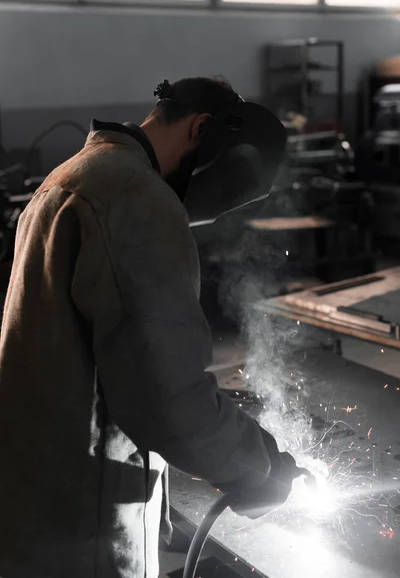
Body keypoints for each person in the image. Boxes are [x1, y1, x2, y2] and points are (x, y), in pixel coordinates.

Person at [0, 77, 296, 578]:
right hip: (82, 518)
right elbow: (167, 393)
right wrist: (258, 466)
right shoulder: (136, 196)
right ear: (203, 128)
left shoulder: (74, 174)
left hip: (33, 489)